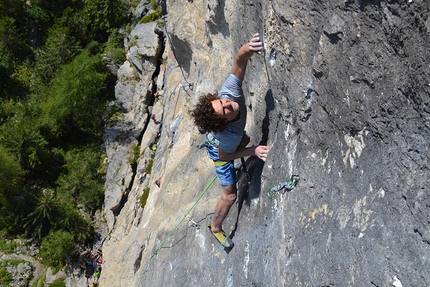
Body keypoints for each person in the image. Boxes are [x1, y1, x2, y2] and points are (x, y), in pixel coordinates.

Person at [190, 33, 270, 247]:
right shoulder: (228, 134)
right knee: (230, 196)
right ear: (222, 122)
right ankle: (215, 227)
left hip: (223, 139)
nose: (229, 105)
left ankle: (204, 126)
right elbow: (225, 155)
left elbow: (239, 60)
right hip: (220, 152)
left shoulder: (229, 93)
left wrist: (250, 47)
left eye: (222, 103)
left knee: (244, 138)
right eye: (224, 110)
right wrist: (253, 151)